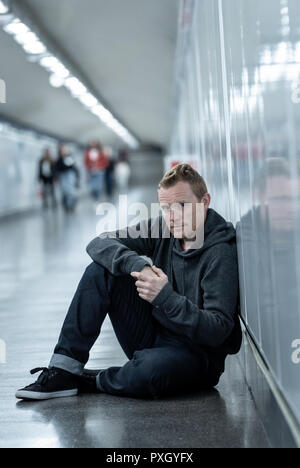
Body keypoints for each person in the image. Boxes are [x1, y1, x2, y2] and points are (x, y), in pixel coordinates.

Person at [16, 163, 242, 401]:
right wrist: (139, 266)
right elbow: (100, 242)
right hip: (153, 334)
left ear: (204, 201)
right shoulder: (162, 228)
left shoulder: (219, 253)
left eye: (182, 206)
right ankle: (64, 370)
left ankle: (92, 379)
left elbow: (217, 330)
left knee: (149, 372)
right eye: (166, 208)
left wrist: (164, 296)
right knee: (100, 271)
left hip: (196, 356)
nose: (173, 217)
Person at [55, 144, 80, 213]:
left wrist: (77, 177)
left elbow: (74, 167)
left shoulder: (70, 158)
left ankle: (71, 205)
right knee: (65, 192)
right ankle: (66, 206)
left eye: (65, 150)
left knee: (71, 192)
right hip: (62, 176)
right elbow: (57, 169)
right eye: (63, 150)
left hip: (70, 175)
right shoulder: (59, 160)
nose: (64, 151)